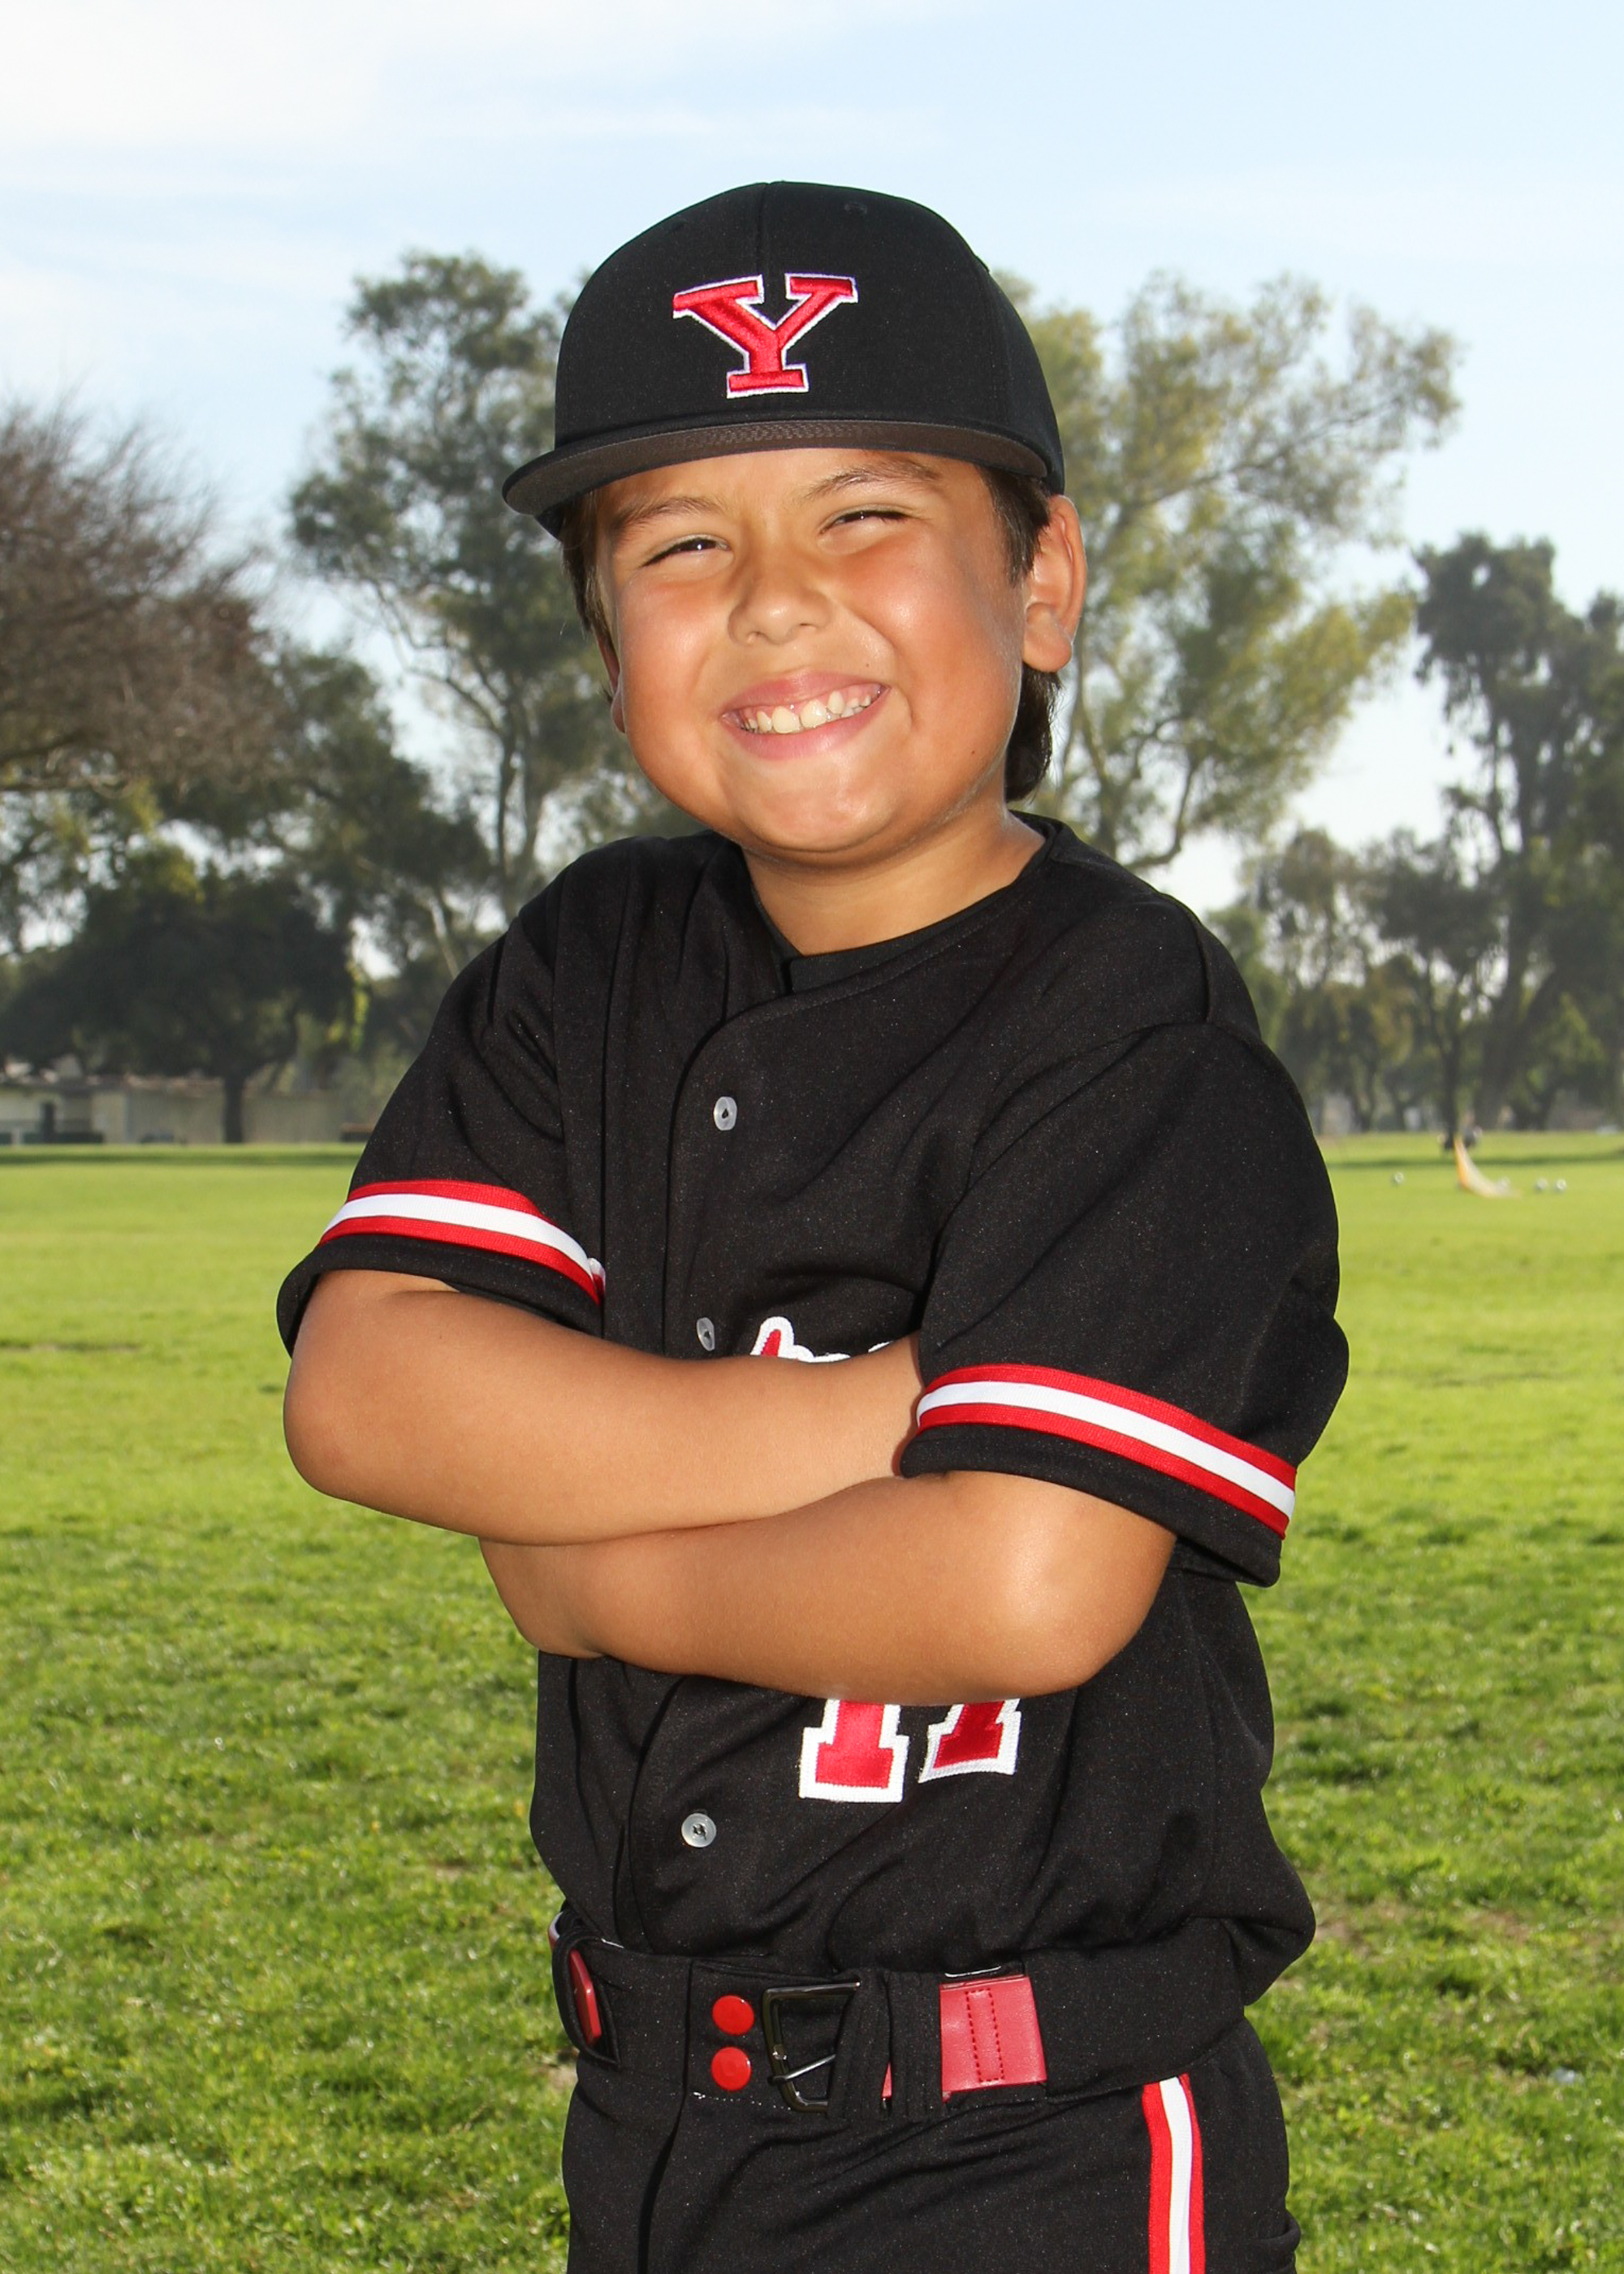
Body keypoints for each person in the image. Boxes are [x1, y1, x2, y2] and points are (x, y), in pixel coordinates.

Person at [279, 180, 1347, 2274]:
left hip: (1032, 2139)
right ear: (609, 643)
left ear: (1042, 583)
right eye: (682, 546)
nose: (776, 605)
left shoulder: (1138, 1033)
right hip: (657, 2118)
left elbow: (1023, 1582)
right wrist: (889, 1412)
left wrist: (591, 1572)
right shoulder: (589, 965)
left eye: (865, 517)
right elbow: (368, 1390)